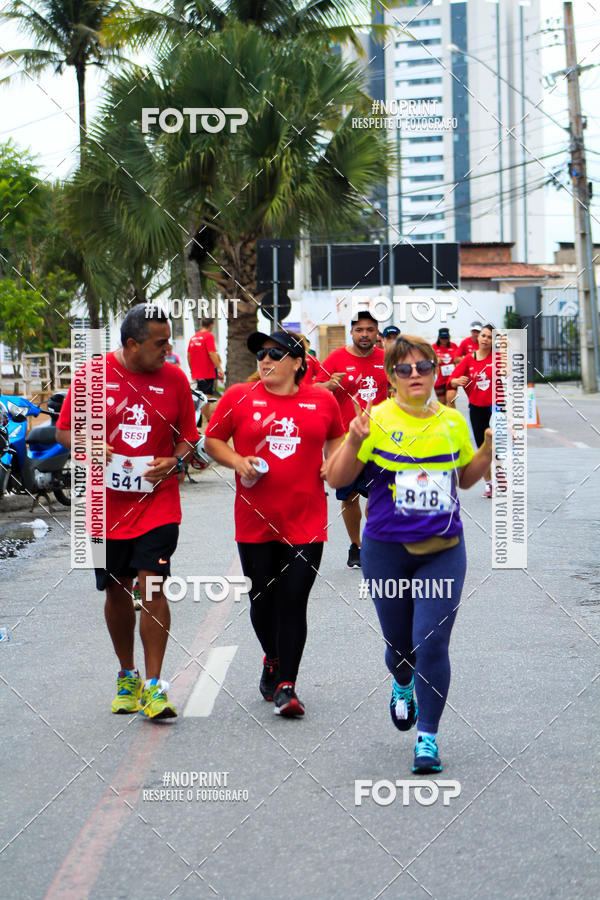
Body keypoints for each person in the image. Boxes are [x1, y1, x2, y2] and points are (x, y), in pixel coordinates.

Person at [326, 335, 492, 774]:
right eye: (404, 369)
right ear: (391, 377)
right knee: (401, 649)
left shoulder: (452, 421)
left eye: (423, 367)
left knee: (431, 642)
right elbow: (336, 478)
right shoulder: (374, 419)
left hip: (443, 549)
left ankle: (428, 739)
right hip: (386, 551)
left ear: (436, 371)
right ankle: (402, 683)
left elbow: (468, 478)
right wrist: (351, 441)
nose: (415, 375)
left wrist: (490, 449)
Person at [56, 305, 199, 720]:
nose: (168, 349)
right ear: (132, 344)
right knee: (116, 590)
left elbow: (188, 439)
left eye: (169, 340)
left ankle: (155, 686)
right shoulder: (90, 377)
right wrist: (89, 444)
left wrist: (173, 462)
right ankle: (127, 675)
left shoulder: (175, 379)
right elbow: (65, 430)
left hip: (158, 503)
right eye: (160, 343)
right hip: (105, 507)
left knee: (152, 585)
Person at [205, 330, 345, 717]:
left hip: (306, 518)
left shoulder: (323, 399)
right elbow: (212, 440)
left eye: (275, 354)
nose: (264, 360)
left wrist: (332, 464)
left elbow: (337, 441)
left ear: (299, 362)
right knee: (262, 599)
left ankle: (287, 684)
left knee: (294, 598)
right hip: (255, 519)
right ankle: (271, 656)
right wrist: (237, 461)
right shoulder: (238, 397)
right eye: (261, 354)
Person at [315, 311, 388, 568]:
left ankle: (372, 542)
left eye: (370, 329)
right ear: (352, 332)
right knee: (349, 497)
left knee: (379, 495)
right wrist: (328, 386)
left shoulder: (386, 358)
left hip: (379, 440)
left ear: (376, 332)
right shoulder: (336, 358)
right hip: (343, 441)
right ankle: (356, 545)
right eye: (360, 330)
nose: (365, 334)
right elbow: (313, 390)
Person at [449, 323, 494, 497]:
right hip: (477, 408)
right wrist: (456, 381)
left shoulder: (499, 358)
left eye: (490, 337)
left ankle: (502, 479)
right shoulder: (469, 359)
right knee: (484, 447)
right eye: (483, 335)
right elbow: (452, 379)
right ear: (478, 337)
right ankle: (489, 484)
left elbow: (512, 374)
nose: (485, 339)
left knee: (499, 446)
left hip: (498, 409)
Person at [187, 317, 224, 423]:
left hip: (197, 372)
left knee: (203, 395)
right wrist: (220, 368)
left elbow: (189, 355)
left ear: (201, 324)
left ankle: (207, 419)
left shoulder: (193, 337)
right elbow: (212, 353)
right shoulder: (209, 336)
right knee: (206, 397)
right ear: (211, 325)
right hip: (207, 372)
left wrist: (192, 370)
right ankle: (201, 419)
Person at [431, 328, 459, 406]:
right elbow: (428, 361)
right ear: (439, 338)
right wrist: (435, 360)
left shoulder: (454, 346)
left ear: (449, 337)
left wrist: (457, 361)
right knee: (442, 404)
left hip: (451, 379)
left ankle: (453, 418)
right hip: (439, 380)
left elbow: (459, 359)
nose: (444, 340)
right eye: (442, 338)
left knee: (451, 401)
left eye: (446, 338)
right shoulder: (433, 347)